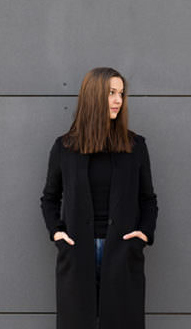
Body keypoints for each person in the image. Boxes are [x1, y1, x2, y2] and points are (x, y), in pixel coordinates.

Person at [39, 67, 158, 329]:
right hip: (78, 251)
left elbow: (148, 199)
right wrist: (57, 233)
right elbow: (50, 198)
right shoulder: (65, 147)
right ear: (93, 96)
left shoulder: (135, 146)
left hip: (122, 250)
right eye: (111, 93)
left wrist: (144, 234)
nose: (118, 100)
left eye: (121, 94)